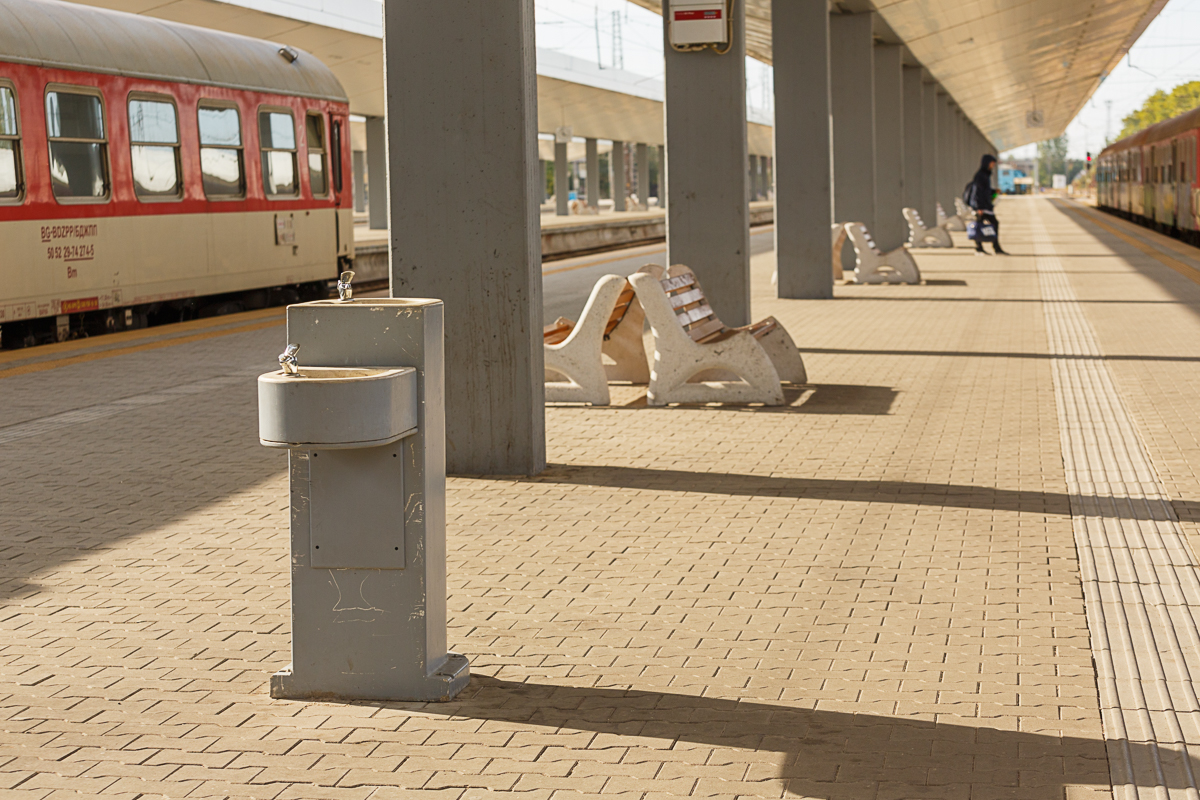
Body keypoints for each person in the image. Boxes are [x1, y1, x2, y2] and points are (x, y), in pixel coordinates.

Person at [967, 154, 1008, 255]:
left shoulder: (986, 174)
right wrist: (978, 207)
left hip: (986, 206)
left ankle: (991, 247)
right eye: (992, 163)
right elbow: (977, 192)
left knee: (990, 225)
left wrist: (994, 191)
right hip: (982, 207)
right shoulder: (980, 175)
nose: (993, 165)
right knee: (981, 226)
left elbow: (985, 191)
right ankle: (982, 248)